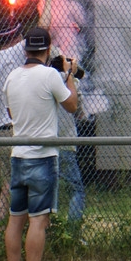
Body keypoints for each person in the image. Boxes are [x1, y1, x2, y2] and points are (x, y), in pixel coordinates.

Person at [3, 27, 78, 261]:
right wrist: (69, 75)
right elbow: (72, 105)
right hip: (43, 157)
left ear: (26, 49)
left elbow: (11, 112)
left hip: (18, 156)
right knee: (39, 220)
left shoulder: (12, 76)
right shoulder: (50, 75)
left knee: (16, 219)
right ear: (47, 50)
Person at [0, 5, 54, 222]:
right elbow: (43, 29)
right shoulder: (18, 51)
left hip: (2, 131)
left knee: (7, 185)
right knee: (32, 183)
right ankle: (33, 226)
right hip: (22, 129)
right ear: (17, 36)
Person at [57, 91, 86, 232]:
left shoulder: (40, 80)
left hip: (44, 143)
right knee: (76, 189)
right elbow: (79, 111)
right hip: (66, 142)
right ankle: (72, 231)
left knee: (49, 189)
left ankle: (50, 229)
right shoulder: (70, 82)